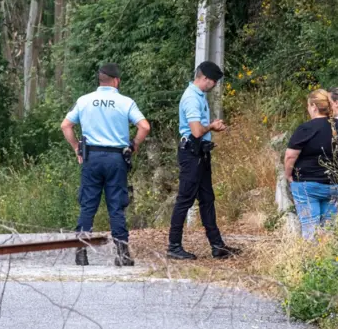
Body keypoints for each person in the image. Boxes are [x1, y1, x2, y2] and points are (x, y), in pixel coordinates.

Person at [61, 63, 150, 267]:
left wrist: (76, 147)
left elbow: (66, 125)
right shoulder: (125, 102)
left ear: (100, 80)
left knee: (88, 204)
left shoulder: (84, 101)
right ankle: (122, 254)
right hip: (116, 159)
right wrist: (134, 144)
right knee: (116, 206)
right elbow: (144, 126)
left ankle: (81, 252)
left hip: (91, 157)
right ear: (116, 81)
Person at [166, 61, 241, 260]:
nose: (214, 86)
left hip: (200, 153)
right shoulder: (191, 98)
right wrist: (212, 127)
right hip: (191, 153)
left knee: (207, 199)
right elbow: (197, 131)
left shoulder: (199, 96)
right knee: (185, 199)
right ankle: (173, 245)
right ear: (205, 78)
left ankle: (217, 246)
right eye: (214, 82)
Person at [284, 89, 338, 241]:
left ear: (314, 106)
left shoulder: (306, 128)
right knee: (329, 229)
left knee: (310, 228)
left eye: (308, 105)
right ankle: (329, 260)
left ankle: (312, 260)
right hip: (333, 184)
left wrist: (288, 175)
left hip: (307, 184)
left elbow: (290, 156)